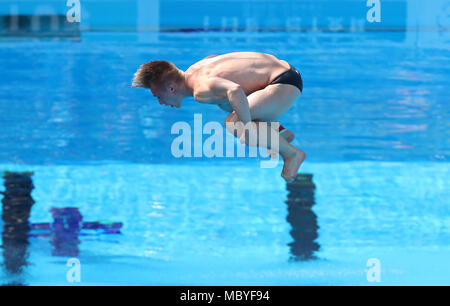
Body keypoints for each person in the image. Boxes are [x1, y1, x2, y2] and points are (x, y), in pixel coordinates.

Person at [132, 52, 305, 182]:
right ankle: (279, 133)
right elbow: (217, 58)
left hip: (284, 83)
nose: (161, 102)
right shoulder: (195, 69)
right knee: (225, 103)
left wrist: (247, 127)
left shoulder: (201, 89)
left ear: (171, 88)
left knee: (234, 123)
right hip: (284, 70)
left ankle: (291, 154)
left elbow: (235, 90)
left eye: (158, 96)